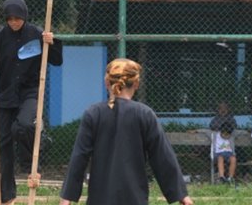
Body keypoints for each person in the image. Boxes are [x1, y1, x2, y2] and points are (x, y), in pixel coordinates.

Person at [59, 58, 193, 205]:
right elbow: (162, 156)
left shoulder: (93, 113)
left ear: (106, 83)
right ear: (136, 84)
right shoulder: (145, 114)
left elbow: (80, 156)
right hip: (134, 198)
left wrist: (68, 196)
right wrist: (180, 194)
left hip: (100, 199)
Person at [0, 0, 63, 204]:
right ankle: (7, 195)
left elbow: (56, 60)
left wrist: (51, 43)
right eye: (10, 19)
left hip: (30, 92)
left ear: (24, 17)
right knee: (4, 144)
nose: (14, 22)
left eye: (18, 18)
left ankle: (31, 163)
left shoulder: (37, 34)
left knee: (25, 126)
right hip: (6, 95)